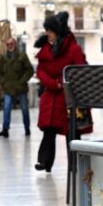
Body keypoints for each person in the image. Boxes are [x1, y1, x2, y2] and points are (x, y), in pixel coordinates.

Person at [33, 11, 89, 177]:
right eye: (47, 30)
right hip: (51, 96)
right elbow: (40, 71)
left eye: (50, 30)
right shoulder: (46, 49)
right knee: (49, 130)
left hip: (69, 97)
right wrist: (54, 83)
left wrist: (63, 83)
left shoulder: (73, 49)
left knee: (72, 131)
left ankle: (75, 163)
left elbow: (80, 70)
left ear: (57, 32)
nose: (47, 34)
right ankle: (44, 162)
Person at [0, 38, 34, 138]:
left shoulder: (22, 55)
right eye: (8, 44)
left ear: (15, 44)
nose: (10, 45)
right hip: (8, 88)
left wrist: (23, 80)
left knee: (25, 109)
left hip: (20, 87)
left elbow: (30, 70)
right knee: (6, 108)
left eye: (11, 43)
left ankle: (27, 128)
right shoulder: (3, 57)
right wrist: (2, 82)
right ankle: (5, 129)